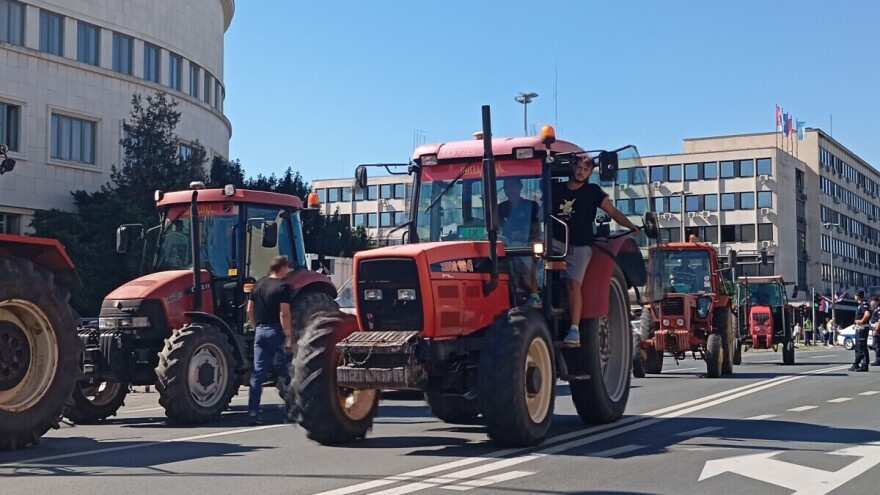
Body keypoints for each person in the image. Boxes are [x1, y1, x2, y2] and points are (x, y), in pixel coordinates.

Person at [549, 153, 640, 346]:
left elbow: (613, 212)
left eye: (585, 170)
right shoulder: (555, 189)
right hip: (556, 242)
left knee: (574, 284)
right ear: (573, 168)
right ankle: (533, 294)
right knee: (531, 250)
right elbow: (538, 208)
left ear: (590, 173)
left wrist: (631, 226)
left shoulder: (593, 192)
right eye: (579, 168)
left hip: (580, 246)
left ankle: (574, 330)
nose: (581, 172)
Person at [246, 255, 294, 425]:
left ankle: (253, 411)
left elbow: (249, 309)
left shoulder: (258, 285)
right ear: (282, 267)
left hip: (260, 332)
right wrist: (288, 335)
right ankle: (291, 410)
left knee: (258, 374)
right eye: (287, 267)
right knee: (285, 371)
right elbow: (284, 313)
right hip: (276, 332)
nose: (288, 270)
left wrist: (255, 326)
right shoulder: (283, 287)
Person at [498, 177, 541, 306]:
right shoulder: (500, 207)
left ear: (520, 187)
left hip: (527, 243)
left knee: (524, 252)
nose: (509, 189)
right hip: (506, 245)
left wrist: (522, 235)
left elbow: (536, 230)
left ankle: (534, 294)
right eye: (506, 186)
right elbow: (497, 228)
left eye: (512, 186)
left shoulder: (531, 206)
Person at [850, 290, 871, 372]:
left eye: (855, 295)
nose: (854, 297)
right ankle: (857, 364)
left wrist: (861, 321)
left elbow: (867, 314)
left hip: (862, 328)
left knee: (862, 347)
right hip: (859, 328)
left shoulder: (864, 304)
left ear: (858, 296)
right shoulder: (860, 305)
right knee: (859, 347)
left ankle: (864, 365)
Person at [871, 297, 880, 366]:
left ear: (876, 301)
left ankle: (878, 359)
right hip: (875, 328)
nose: (871, 302)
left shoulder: (878, 309)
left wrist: (876, 329)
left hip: (878, 330)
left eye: (872, 301)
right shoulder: (876, 309)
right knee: (876, 345)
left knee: (876, 345)